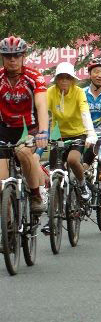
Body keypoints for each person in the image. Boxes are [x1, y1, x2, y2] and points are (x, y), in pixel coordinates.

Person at [0, 36, 49, 213]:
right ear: (2, 57)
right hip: (5, 129)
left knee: (22, 152)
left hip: (30, 129)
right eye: (7, 56)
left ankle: (35, 194)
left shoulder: (34, 77)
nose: (12, 59)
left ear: (23, 56)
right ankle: (8, 226)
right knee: (1, 182)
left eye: (16, 55)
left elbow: (42, 105)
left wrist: (43, 131)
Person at [47, 62, 97, 200]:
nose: (64, 80)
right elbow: (42, 113)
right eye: (61, 77)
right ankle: (58, 199)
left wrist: (91, 133)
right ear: (56, 79)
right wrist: (41, 133)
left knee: (73, 160)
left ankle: (82, 185)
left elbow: (85, 112)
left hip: (77, 134)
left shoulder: (79, 92)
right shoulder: (50, 92)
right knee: (54, 170)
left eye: (67, 77)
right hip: (58, 135)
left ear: (72, 79)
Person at [82, 58, 101, 169]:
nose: (99, 75)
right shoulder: (81, 93)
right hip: (85, 136)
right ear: (89, 74)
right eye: (96, 72)